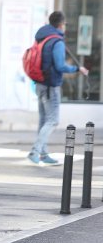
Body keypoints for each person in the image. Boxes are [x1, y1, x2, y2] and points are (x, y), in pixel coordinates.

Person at [27, 11, 88, 165]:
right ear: (61, 24)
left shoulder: (42, 38)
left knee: (43, 120)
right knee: (53, 120)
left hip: (40, 84)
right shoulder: (57, 42)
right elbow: (60, 66)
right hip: (51, 86)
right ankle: (35, 151)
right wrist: (76, 69)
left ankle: (43, 154)